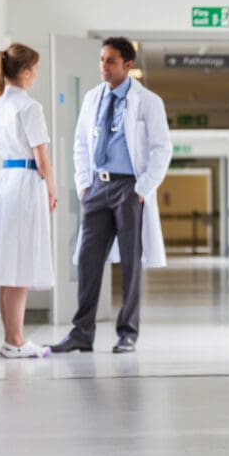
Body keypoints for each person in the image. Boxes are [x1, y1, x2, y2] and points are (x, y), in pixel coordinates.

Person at [50, 37, 172, 354]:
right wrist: (83, 185)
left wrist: (143, 188)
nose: (104, 66)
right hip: (97, 187)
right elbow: (80, 143)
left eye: (111, 61)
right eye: (102, 59)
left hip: (129, 187)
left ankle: (127, 332)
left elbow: (162, 149)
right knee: (89, 260)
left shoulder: (148, 101)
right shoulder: (93, 98)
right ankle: (81, 332)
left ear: (128, 65)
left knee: (131, 262)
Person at [0, 43, 55, 358]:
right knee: (21, 261)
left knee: (7, 261)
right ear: (25, 71)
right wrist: (52, 189)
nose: (36, 75)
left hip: (5, 182)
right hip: (26, 182)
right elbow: (42, 158)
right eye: (35, 69)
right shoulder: (29, 107)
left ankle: (11, 337)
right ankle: (15, 340)